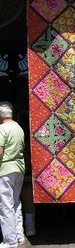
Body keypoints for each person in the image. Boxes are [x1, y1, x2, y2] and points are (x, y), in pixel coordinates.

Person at [0, 102, 25, 248]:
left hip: (5, 170)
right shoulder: (18, 128)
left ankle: (10, 241)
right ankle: (19, 236)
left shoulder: (2, 129)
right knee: (16, 203)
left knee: (5, 205)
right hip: (19, 168)